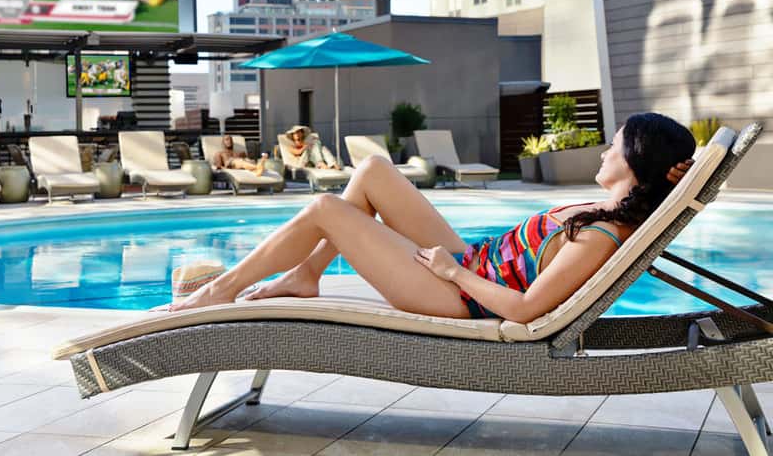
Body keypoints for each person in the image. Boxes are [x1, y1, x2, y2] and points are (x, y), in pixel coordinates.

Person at [170, 113, 696, 322]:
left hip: (462, 293)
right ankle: (305, 274)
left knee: (326, 208)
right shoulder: (603, 212)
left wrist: (452, 272)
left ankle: (222, 290)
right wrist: (462, 263)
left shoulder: (601, 235)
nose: (606, 149)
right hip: (475, 263)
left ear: (637, 161)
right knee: (374, 169)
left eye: (617, 143)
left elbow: (524, 309)